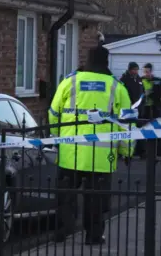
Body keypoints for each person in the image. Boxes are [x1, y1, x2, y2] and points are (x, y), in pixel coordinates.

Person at [49, 45, 134, 245]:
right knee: (96, 199)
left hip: (71, 151)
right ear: (106, 62)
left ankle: (62, 232)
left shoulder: (69, 82)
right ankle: (94, 236)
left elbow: (53, 113)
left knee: (65, 196)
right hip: (101, 156)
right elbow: (127, 124)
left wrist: (55, 138)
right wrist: (126, 150)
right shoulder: (116, 87)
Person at [120, 62, 145, 157]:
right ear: (129, 70)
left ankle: (140, 151)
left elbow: (142, 91)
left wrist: (143, 103)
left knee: (139, 129)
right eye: (134, 69)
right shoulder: (124, 79)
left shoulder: (139, 79)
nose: (135, 71)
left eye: (137, 69)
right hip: (128, 110)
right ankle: (127, 151)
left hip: (139, 109)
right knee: (128, 130)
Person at [141, 63, 161, 156]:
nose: (146, 73)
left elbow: (159, 94)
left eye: (147, 71)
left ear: (151, 71)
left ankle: (158, 150)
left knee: (157, 127)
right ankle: (144, 151)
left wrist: (150, 93)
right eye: (144, 71)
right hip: (144, 108)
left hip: (154, 107)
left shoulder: (157, 81)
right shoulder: (141, 80)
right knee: (144, 128)